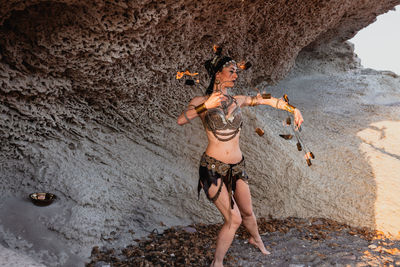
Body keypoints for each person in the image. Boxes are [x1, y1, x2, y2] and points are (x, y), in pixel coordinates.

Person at [177, 49, 304, 267]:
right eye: (231, 71)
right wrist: (205, 106)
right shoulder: (200, 100)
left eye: (237, 71)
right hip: (212, 168)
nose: (236, 75)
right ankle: (217, 263)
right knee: (233, 218)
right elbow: (181, 120)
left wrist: (294, 109)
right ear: (218, 74)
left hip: (237, 166)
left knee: (247, 211)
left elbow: (267, 100)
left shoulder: (238, 99)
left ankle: (256, 239)